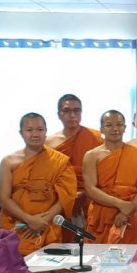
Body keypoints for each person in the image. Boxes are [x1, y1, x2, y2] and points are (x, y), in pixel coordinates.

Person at [0, 113, 77, 256]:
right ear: (21, 133)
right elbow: (4, 199)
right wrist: (29, 219)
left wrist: (42, 221)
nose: (35, 134)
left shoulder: (59, 161)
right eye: (29, 130)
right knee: (16, 266)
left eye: (40, 129)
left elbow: (66, 196)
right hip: (18, 225)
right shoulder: (8, 162)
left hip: (47, 225)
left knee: (49, 265)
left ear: (46, 131)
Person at [83, 110, 137, 244]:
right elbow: (90, 189)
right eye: (109, 125)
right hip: (102, 212)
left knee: (129, 255)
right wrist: (120, 204)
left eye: (119, 124)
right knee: (98, 254)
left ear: (125, 127)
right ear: (101, 129)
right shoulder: (92, 155)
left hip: (131, 212)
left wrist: (129, 208)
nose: (115, 129)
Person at [47, 93, 103, 235]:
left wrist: (86, 192)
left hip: (91, 197)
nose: (72, 115)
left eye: (76, 111)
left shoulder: (96, 138)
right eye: (67, 111)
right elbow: (48, 176)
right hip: (59, 201)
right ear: (59, 114)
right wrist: (67, 196)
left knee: (91, 240)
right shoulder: (49, 143)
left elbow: (105, 171)